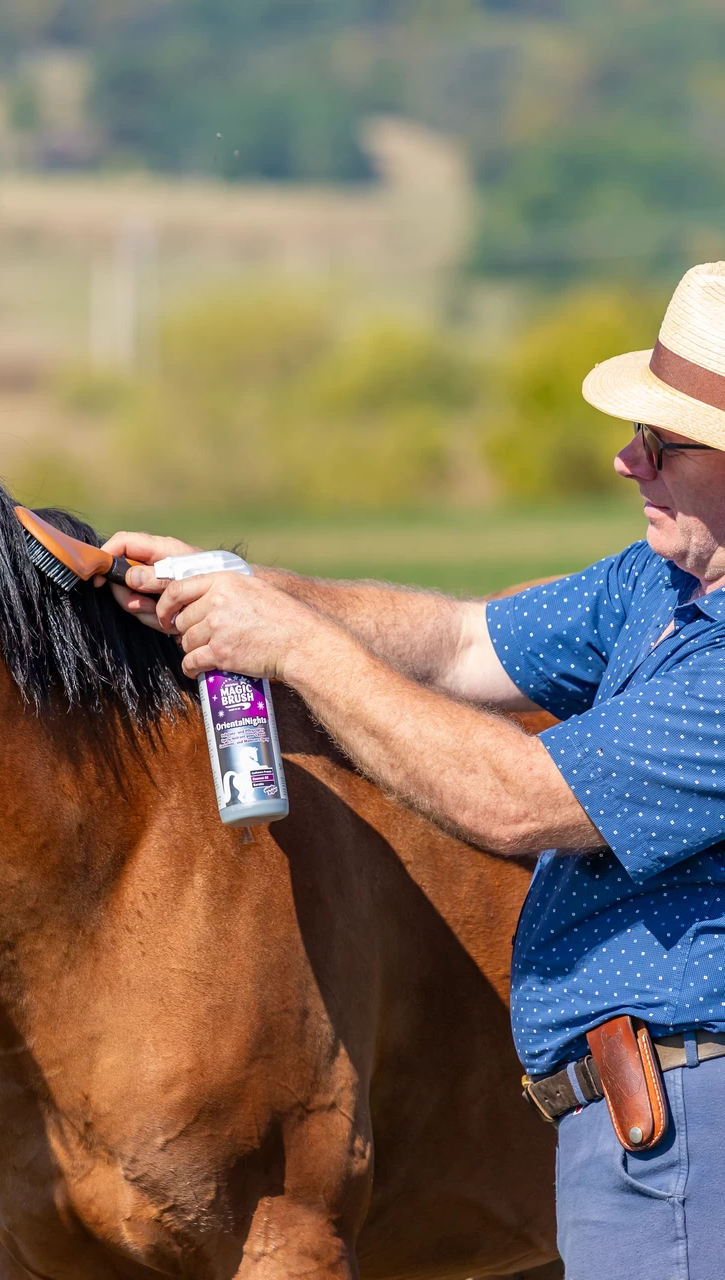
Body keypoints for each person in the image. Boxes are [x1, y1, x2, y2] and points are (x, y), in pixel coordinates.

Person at [103, 260, 725, 1278]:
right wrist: (231, 586)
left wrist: (291, 646)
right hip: (640, 1124)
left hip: (692, 1128)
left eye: (659, 441)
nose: (625, 460)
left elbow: (515, 798)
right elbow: (454, 640)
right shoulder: (657, 579)